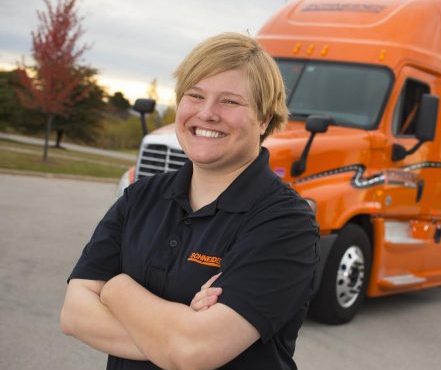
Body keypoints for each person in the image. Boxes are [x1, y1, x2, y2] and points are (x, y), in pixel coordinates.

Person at [60, 32, 319, 370]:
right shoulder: (141, 196)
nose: (207, 114)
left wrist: (115, 288)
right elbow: (74, 314)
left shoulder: (286, 224)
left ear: (264, 119)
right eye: (195, 95)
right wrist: (174, 339)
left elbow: (195, 351)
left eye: (230, 101)